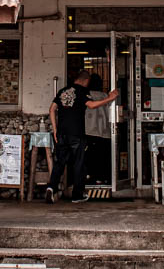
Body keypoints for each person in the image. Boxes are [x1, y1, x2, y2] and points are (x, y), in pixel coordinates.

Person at [46, 70, 118, 204]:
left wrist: (55, 130)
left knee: (60, 162)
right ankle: (77, 195)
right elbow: (91, 105)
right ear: (86, 81)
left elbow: (51, 109)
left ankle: (51, 187)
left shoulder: (62, 91)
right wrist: (110, 98)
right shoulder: (82, 91)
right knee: (79, 163)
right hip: (76, 134)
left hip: (61, 133)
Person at [83, 74, 111, 187]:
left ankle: (91, 177)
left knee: (91, 156)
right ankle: (103, 178)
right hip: (105, 131)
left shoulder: (87, 95)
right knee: (103, 156)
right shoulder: (105, 96)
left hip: (90, 130)